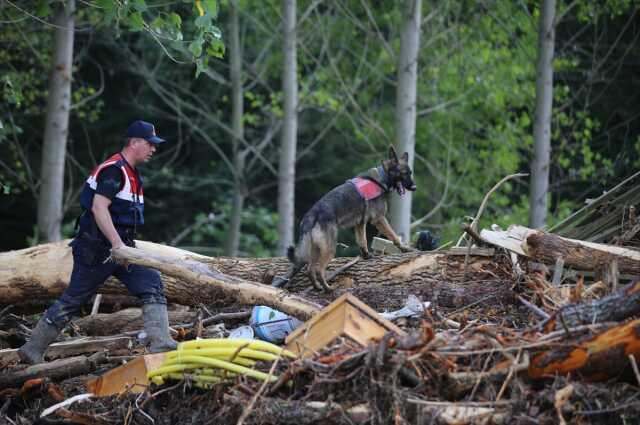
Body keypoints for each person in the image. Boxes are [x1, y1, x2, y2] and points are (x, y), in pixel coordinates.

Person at [19, 120, 177, 364]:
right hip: (98, 249)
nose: (153, 149)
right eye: (149, 144)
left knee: (151, 282)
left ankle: (162, 345)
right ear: (134, 143)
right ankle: (32, 348)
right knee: (73, 299)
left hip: (120, 248)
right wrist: (117, 246)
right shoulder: (114, 170)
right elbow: (98, 207)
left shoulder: (130, 171)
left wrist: (123, 248)